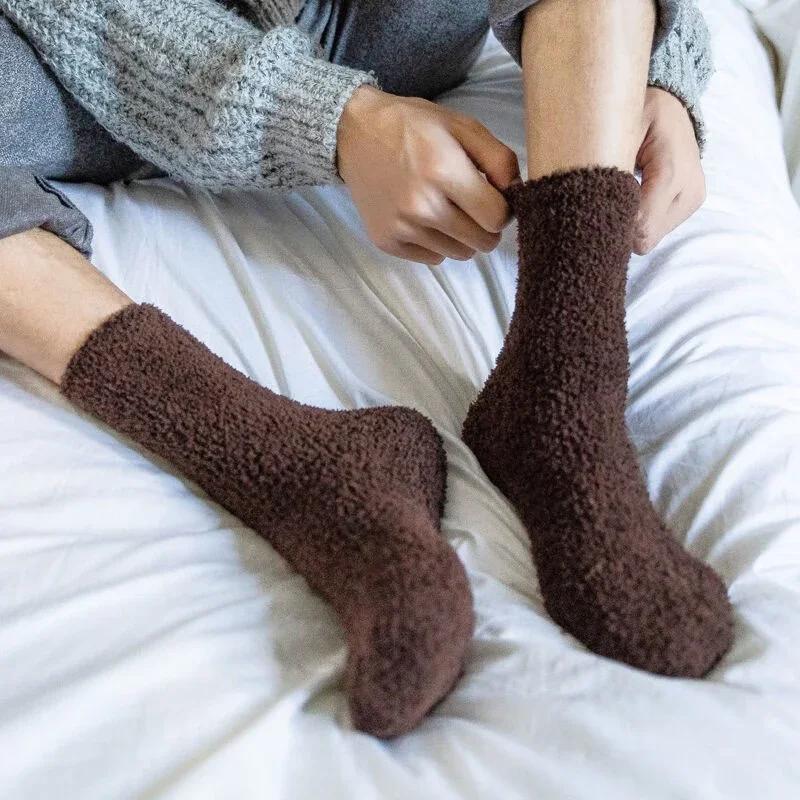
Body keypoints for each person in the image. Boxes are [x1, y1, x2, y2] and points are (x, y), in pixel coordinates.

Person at [0, 0, 733, 739]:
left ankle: (561, 387)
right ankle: (290, 463)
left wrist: (660, 73)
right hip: (71, 66)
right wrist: (331, 122)